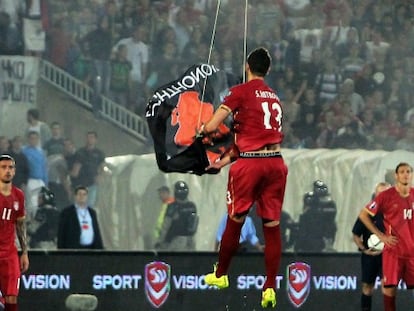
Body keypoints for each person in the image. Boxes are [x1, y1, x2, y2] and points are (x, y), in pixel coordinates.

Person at [200, 47, 287, 308]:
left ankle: (221, 274)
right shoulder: (274, 97)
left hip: (251, 166)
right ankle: (270, 287)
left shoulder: (239, 91)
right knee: (271, 226)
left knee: (235, 219)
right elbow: (252, 137)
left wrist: (202, 129)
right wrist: (223, 161)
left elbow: (213, 126)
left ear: (246, 66)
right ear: (268, 70)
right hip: (276, 163)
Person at [359, 163, 414, 311]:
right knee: (389, 290)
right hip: (393, 253)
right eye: (402, 172)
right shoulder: (385, 197)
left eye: (408, 172)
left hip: (412, 252)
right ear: (396, 176)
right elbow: (363, 215)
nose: (405, 174)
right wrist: (381, 236)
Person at [352, 182, 390, 311]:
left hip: (388, 256)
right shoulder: (367, 213)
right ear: (375, 195)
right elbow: (356, 234)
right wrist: (364, 250)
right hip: (370, 256)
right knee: (367, 286)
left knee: (388, 287)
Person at [0, 154, 30, 311]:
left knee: (12, 296)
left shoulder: (18, 195)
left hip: (10, 253)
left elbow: (20, 224)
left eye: (10, 167)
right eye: (3, 167)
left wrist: (24, 252)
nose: (7, 171)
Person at [295, 180, 337, 252]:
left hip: (321, 234)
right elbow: (305, 216)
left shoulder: (329, 204)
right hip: (309, 234)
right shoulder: (311, 200)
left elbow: (331, 219)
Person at [155, 181, 198, 251]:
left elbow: (165, 226)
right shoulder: (192, 206)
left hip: (174, 242)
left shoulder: (172, 207)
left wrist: (160, 242)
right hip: (190, 241)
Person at [57, 185, 104, 249]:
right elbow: (61, 234)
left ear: (87, 197)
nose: (82, 197)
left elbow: (96, 231)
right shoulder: (67, 212)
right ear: (75, 196)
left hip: (91, 250)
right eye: (79, 194)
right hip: (74, 250)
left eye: (84, 194)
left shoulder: (92, 212)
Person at [71, 131, 105, 208]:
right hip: (80, 183)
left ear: (96, 139)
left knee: (90, 206)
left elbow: (102, 166)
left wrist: (100, 176)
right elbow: (76, 166)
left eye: (92, 137)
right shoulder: (80, 152)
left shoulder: (99, 153)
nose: (89, 139)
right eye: (88, 137)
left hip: (92, 184)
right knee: (79, 205)